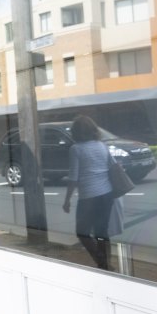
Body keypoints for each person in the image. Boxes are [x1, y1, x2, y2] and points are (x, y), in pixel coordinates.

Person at [62, 115, 115, 270]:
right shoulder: (101, 145)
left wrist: (67, 201)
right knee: (102, 232)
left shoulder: (76, 149)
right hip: (106, 194)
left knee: (82, 232)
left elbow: (73, 178)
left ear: (76, 132)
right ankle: (106, 263)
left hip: (89, 197)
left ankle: (101, 261)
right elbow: (112, 166)